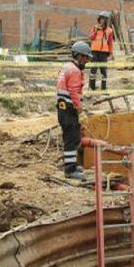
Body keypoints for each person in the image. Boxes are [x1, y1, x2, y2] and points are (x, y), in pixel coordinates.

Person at [57, 41, 91, 179]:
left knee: (70, 137)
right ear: (79, 56)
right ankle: (70, 170)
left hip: (62, 107)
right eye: (85, 58)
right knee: (72, 138)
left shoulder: (66, 67)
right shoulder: (75, 71)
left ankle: (71, 165)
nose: (87, 61)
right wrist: (80, 111)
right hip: (69, 108)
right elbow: (74, 93)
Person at [88, 11, 114, 91]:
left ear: (107, 20)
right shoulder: (95, 27)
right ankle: (91, 87)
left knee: (103, 71)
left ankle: (103, 88)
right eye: (102, 18)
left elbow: (110, 42)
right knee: (93, 70)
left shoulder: (110, 30)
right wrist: (96, 31)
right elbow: (91, 38)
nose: (103, 20)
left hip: (104, 53)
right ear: (99, 19)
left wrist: (110, 53)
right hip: (95, 52)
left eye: (105, 19)